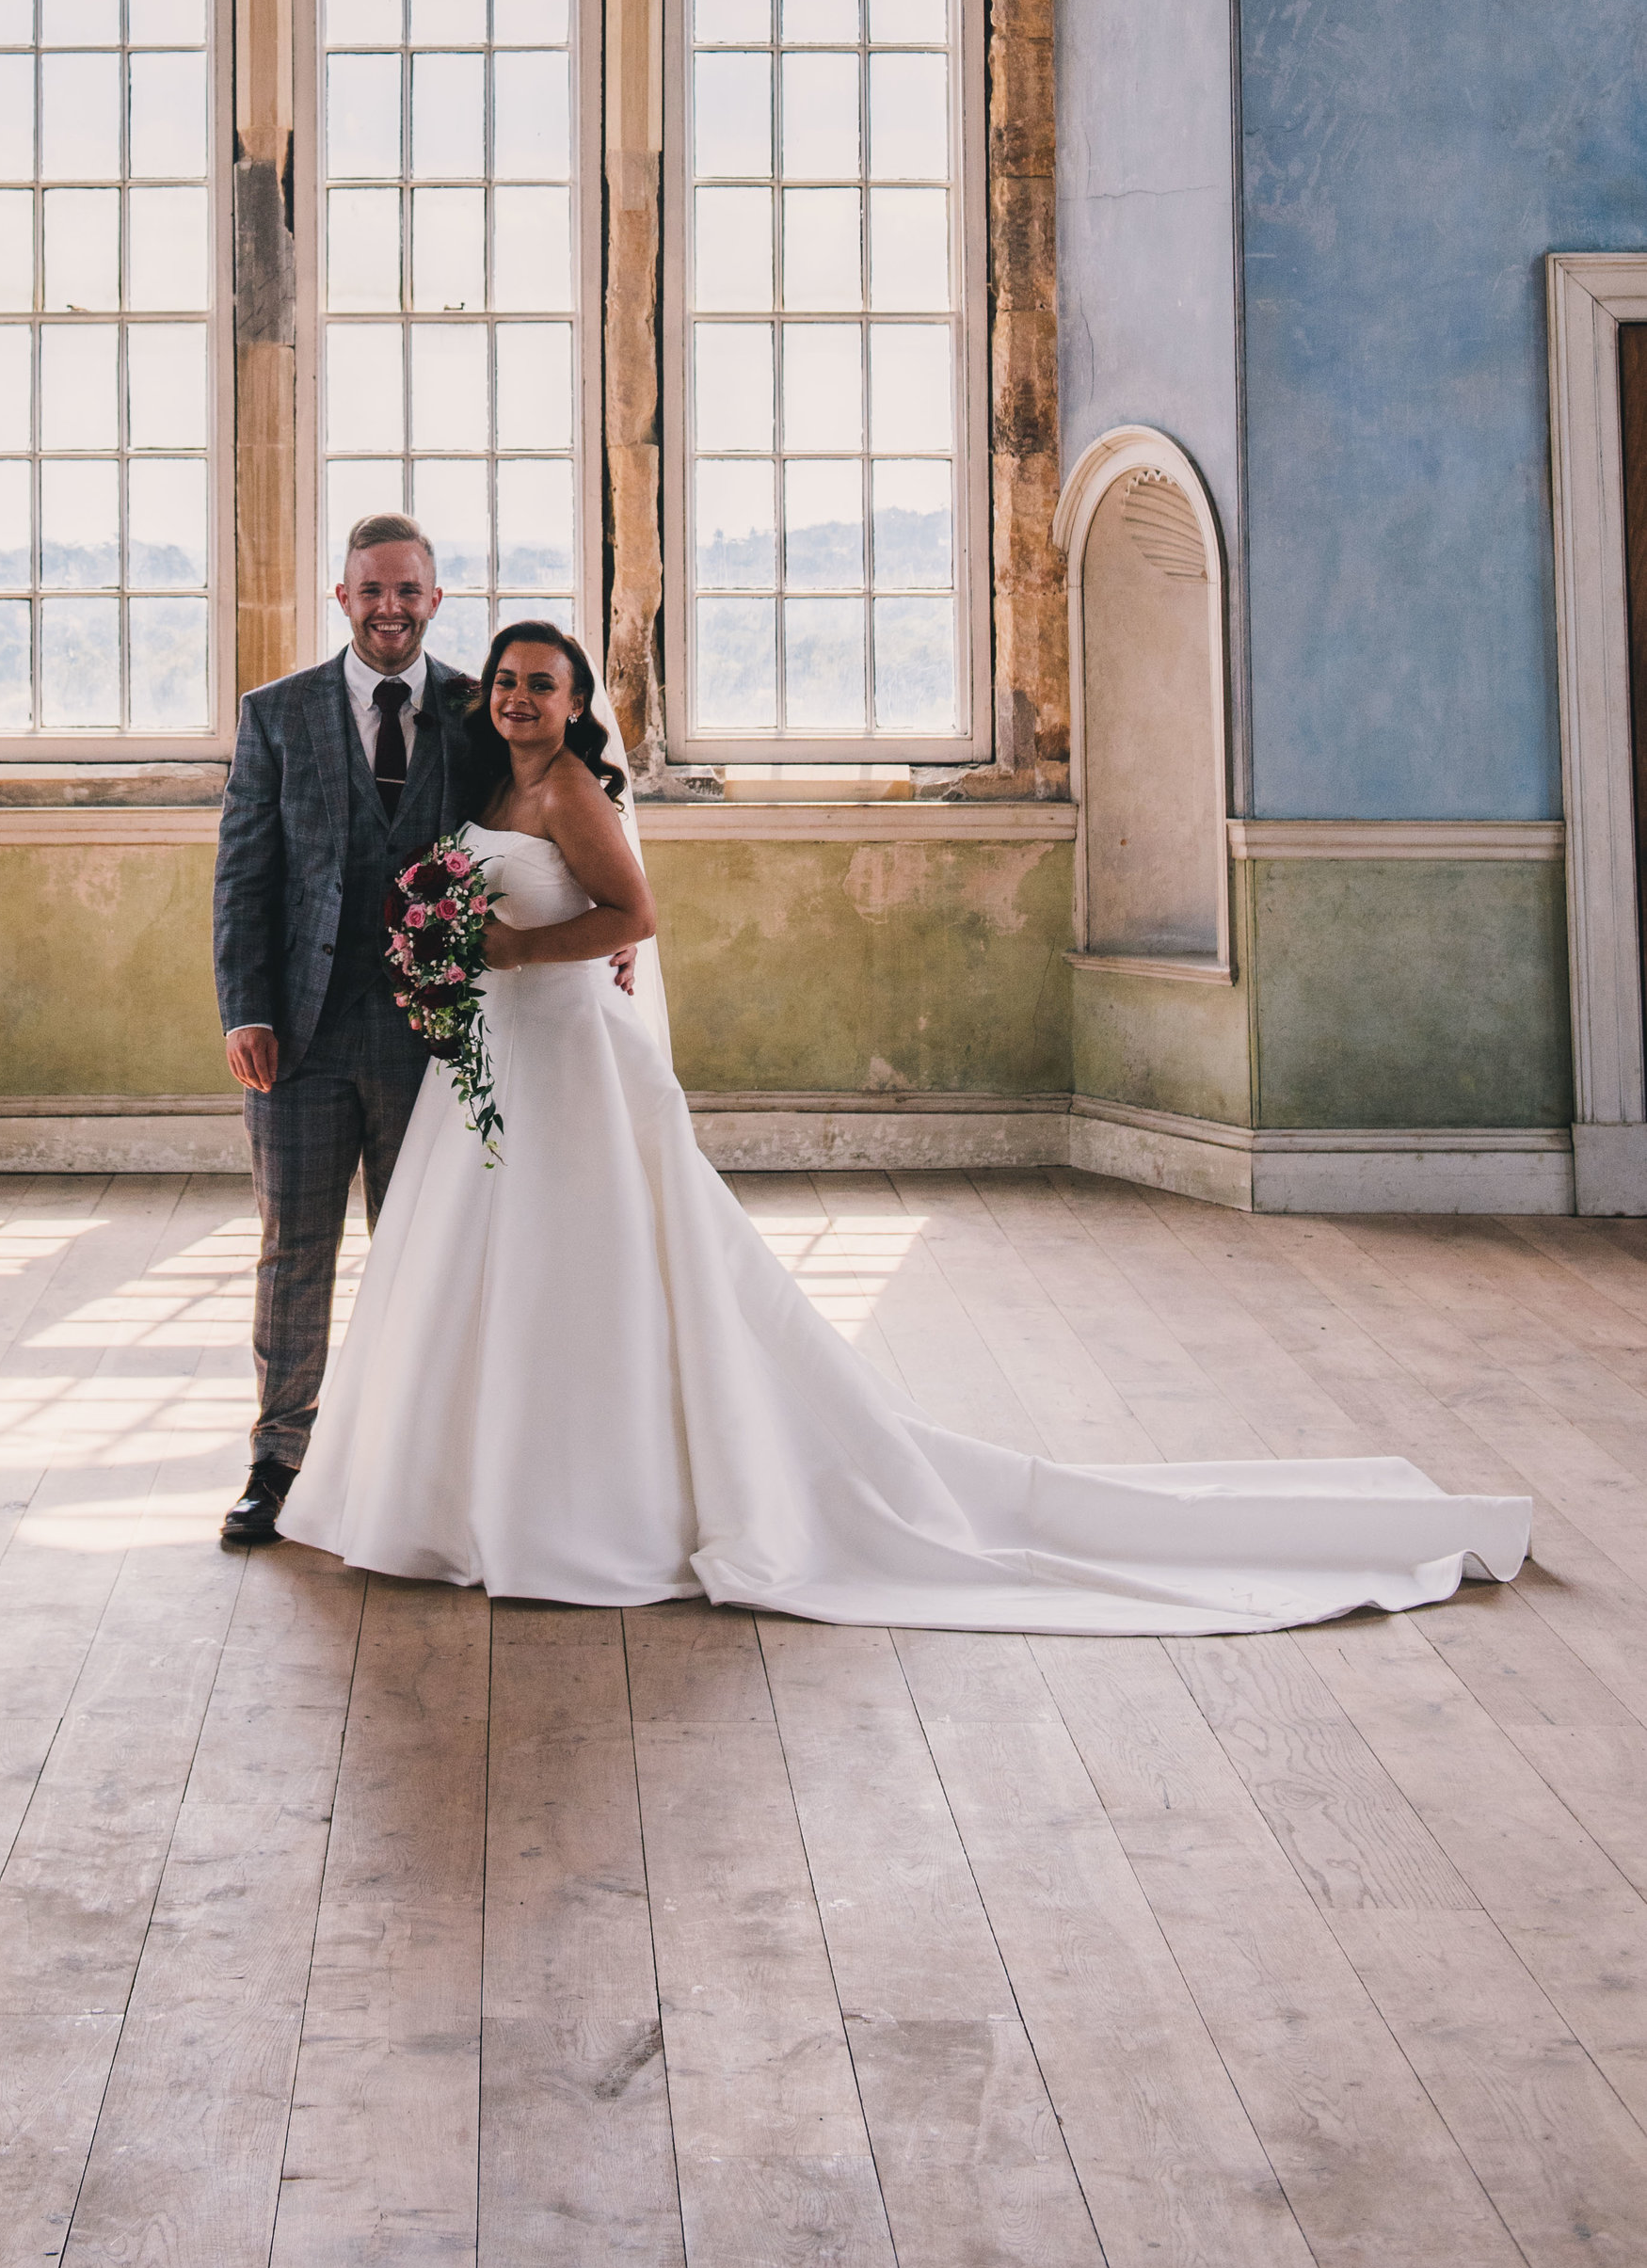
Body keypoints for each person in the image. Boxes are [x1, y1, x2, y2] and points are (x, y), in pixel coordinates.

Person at [278, 619, 1533, 1632]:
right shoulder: (494, 780)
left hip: (563, 1062)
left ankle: (579, 1506)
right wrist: (450, 949)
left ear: (575, 699)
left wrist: (507, 945)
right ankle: (461, 1495)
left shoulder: (576, 798)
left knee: (588, 1276)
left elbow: (634, 917)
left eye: (541, 685)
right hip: (491, 1061)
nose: (518, 698)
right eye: (505, 682)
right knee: (476, 1277)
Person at [211, 512, 484, 1551]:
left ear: (434, 597)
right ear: (342, 597)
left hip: (434, 1036)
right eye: (371, 590)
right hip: (301, 1037)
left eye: (408, 590)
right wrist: (246, 1007)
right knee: (295, 1250)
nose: (389, 609)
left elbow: (537, 827)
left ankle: (417, 1457)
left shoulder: (474, 712)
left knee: (424, 1250)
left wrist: (615, 928)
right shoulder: (276, 714)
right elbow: (244, 875)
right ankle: (279, 1459)